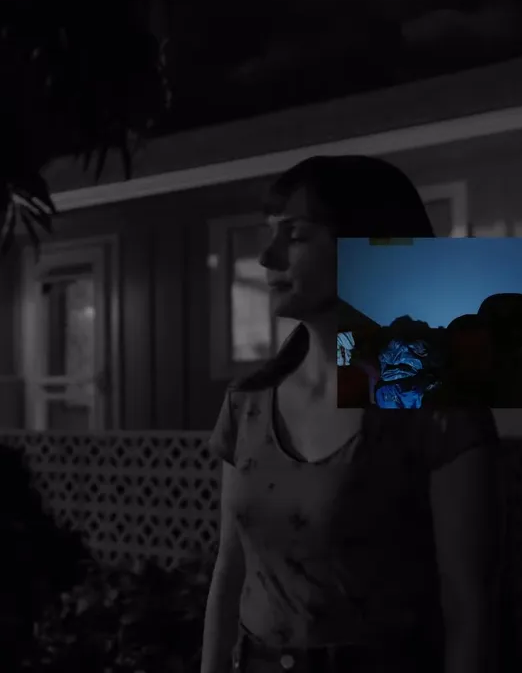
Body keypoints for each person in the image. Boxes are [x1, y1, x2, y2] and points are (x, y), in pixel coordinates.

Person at [199, 155, 499, 673]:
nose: (267, 257)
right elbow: (230, 570)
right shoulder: (248, 403)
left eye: (295, 235)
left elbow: (468, 606)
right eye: (270, 234)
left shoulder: (436, 406)